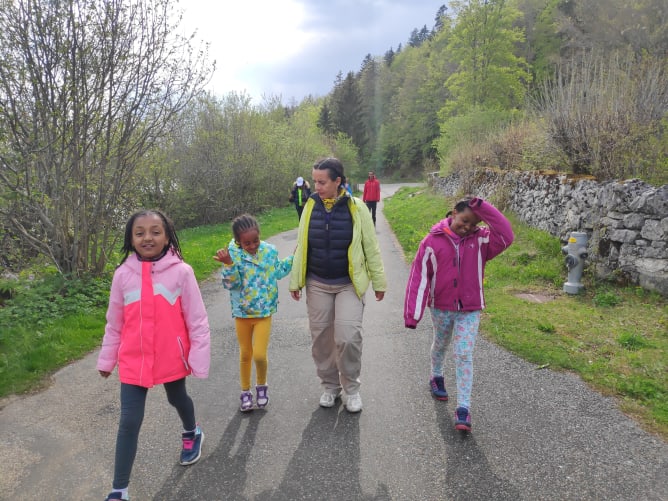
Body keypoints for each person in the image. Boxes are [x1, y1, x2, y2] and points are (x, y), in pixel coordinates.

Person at [97, 209, 210, 501]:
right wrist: (107, 359)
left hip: (171, 356)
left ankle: (191, 431)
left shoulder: (182, 272)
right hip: (134, 359)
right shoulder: (122, 275)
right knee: (129, 422)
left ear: (167, 235)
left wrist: (197, 358)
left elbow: (197, 319)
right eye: (140, 232)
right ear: (131, 239)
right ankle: (119, 490)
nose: (148, 237)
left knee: (177, 398)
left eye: (155, 231)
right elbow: (115, 323)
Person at [403, 197, 514, 433]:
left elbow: (506, 235)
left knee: (464, 353)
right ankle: (436, 375)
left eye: (473, 224)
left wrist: (481, 208)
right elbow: (419, 278)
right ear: (453, 213)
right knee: (441, 344)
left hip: (470, 308)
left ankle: (463, 408)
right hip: (441, 307)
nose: (467, 227)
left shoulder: (482, 240)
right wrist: (413, 314)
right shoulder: (432, 242)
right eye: (464, 220)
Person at [289, 157, 386, 413]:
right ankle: (330, 387)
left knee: (347, 337)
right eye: (315, 181)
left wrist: (379, 281)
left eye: (322, 182)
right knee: (321, 339)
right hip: (317, 283)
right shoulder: (310, 206)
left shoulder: (357, 208)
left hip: (348, 284)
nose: (316, 186)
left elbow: (371, 248)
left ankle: (352, 388)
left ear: (338, 181)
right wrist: (295, 280)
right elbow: (302, 245)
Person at [214, 214, 293, 411]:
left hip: (264, 312)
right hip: (243, 313)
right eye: (247, 243)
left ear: (260, 236)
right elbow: (231, 285)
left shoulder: (268, 252)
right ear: (239, 242)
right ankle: (245, 392)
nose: (252, 245)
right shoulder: (233, 255)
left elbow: (279, 270)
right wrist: (229, 264)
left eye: (255, 240)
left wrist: (295, 258)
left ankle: (262, 386)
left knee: (259, 354)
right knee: (245, 354)